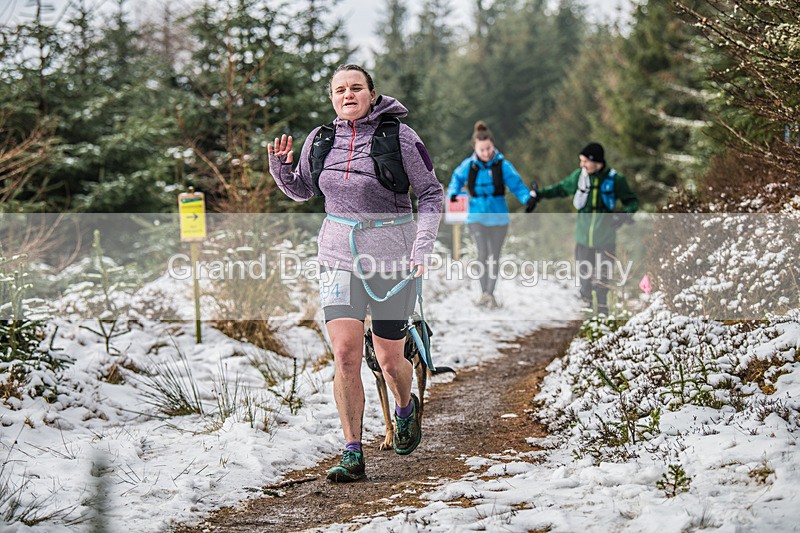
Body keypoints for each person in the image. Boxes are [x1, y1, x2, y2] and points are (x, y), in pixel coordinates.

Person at [268, 64, 443, 482]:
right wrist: (281, 170)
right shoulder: (321, 138)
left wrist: (421, 247)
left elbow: (432, 194)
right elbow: (303, 190)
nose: (348, 95)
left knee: (388, 357)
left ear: (371, 93)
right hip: (337, 256)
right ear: (332, 97)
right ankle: (352, 451)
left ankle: (405, 408)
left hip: (391, 257)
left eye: (356, 88)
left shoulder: (399, 137)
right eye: (339, 90)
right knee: (345, 354)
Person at [531, 142, 639, 314]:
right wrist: (539, 195)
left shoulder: (615, 180)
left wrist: (625, 214)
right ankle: (588, 313)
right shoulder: (579, 177)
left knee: (603, 279)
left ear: (596, 161)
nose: (582, 165)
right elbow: (560, 188)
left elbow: (632, 201)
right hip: (583, 238)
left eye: (585, 161)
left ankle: (603, 315)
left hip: (606, 237)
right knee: (585, 280)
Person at [446, 121, 536, 308]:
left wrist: (527, 198)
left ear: (493, 145)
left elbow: (517, 185)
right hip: (477, 217)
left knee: (494, 256)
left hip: (498, 217)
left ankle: (490, 293)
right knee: (482, 253)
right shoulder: (468, 165)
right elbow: (456, 178)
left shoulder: (503, 165)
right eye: (482, 150)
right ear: (475, 148)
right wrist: (453, 192)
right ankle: (483, 293)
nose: (486, 153)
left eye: (488, 149)